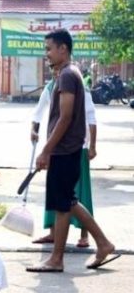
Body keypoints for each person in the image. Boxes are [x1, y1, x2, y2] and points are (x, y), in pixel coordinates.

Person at [27, 29, 119, 272]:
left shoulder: (67, 75)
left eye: (49, 49)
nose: (46, 54)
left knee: (63, 204)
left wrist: (46, 149)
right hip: (68, 148)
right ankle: (103, 243)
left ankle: (57, 259)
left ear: (63, 49)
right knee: (67, 202)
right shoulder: (68, 73)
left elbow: (65, 117)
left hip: (64, 149)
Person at [31, 67, 98, 248]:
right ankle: (55, 237)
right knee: (60, 196)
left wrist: (92, 146)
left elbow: (77, 117)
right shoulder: (51, 87)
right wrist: (34, 130)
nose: (54, 72)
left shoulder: (74, 83)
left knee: (73, 195)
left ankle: (87, 236)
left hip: (73, 147)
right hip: (57, 148)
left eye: (50, 50)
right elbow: (38, 112)